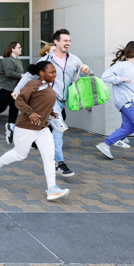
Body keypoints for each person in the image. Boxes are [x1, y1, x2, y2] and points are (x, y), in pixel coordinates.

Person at [0, 61, 70, 201]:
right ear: (42, 73)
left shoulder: (47, 85)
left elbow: (41, 103)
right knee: (20, 154)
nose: (55, 74)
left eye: (55, 72)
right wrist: (30, 112)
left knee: (49, 157)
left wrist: (51, 114)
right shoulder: (33, 85)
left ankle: (52, 188)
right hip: (26, 127)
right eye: (51, 72)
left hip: (42, 128)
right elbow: (19, 100)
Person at [41, 29, 91, 178]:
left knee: (37, 131)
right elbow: (31, 75)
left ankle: (14, 129)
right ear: (56, 42)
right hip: (49, 98)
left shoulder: (74, 59)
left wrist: (86, 70)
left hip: (63, 100)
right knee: (58, 129)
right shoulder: (46, 60)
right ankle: (59, 163)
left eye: (69, 41)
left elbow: (82, 75)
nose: (68, 43)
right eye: (65, 41)